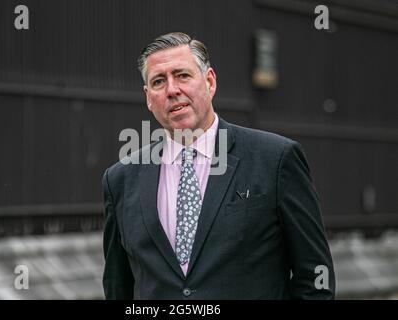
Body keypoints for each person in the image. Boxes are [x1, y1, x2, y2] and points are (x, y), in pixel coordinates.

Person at [102, 32, 335, 299]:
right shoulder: (120, 179)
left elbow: (315, 278)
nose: (172, 90)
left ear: (209, 82)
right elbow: (117, 286)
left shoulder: (275, 159)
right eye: (158, 81)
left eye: (182, 75)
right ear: (148, 97)